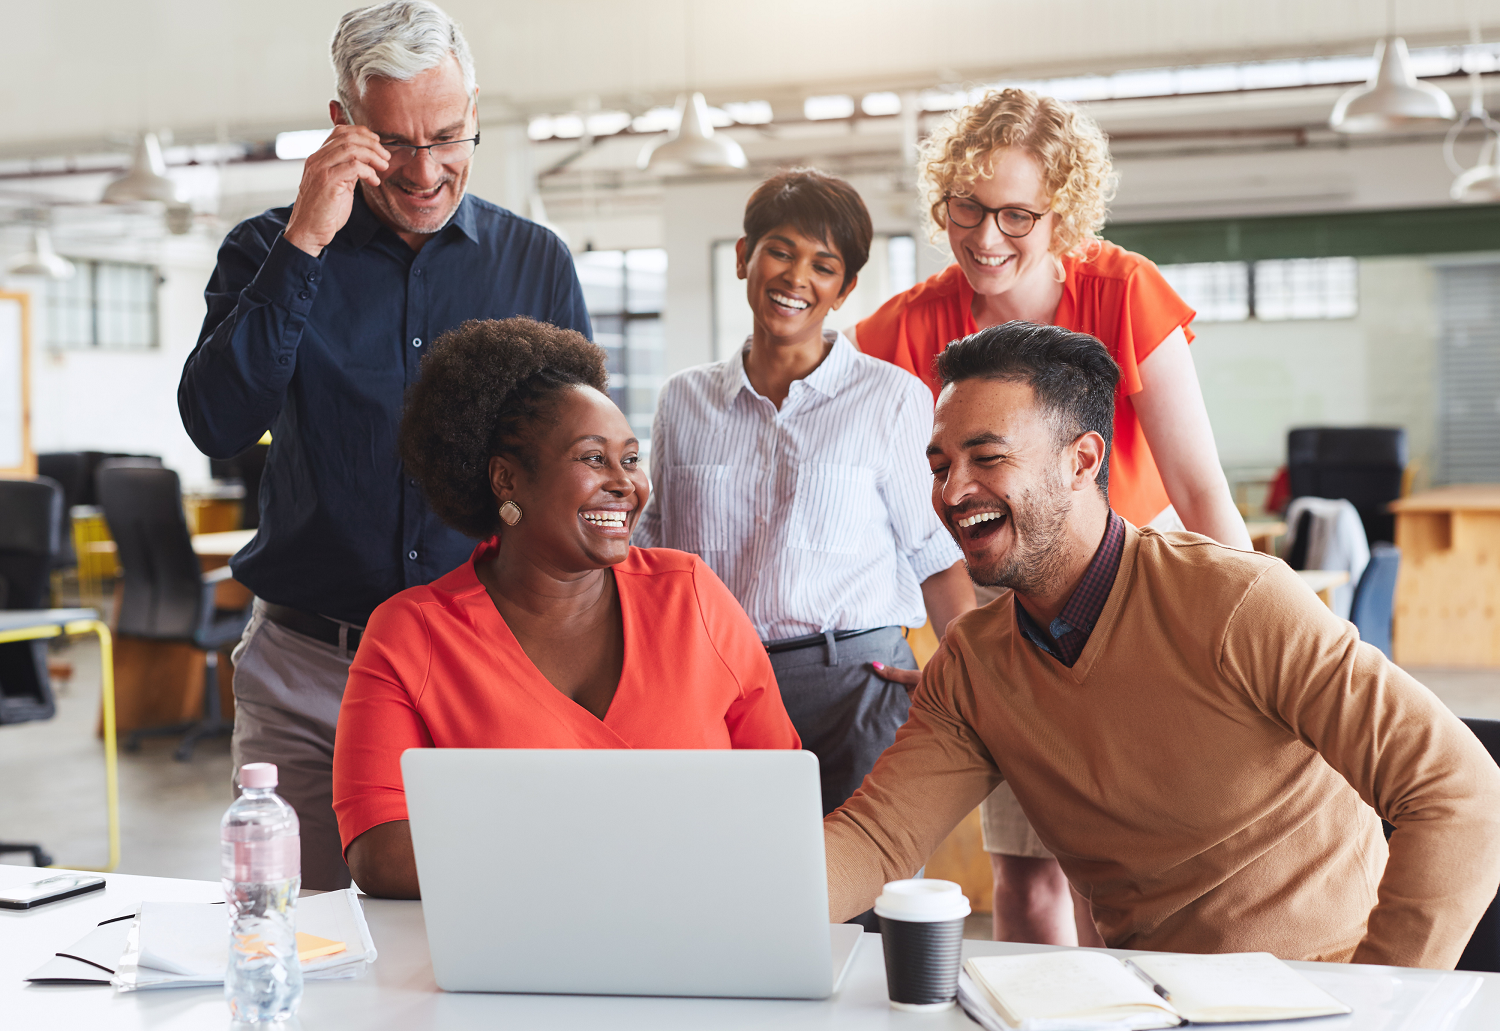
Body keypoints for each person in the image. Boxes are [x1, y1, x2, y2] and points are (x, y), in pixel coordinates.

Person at [824, 321, 1500, 968]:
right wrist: (736, 909)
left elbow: (1463, 793)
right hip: (1147, 1000)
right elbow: (878, 838)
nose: (953, 490)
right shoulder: (972, 664)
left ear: (1081, 460)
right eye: (941, 465)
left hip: (1319, 994)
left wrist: (1382, 1001)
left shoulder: (1238, 601)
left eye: (988, 458)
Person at [177, 3, 590, 890]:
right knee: (306, 940)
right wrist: (305, 243)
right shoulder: (264, 251)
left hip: (480, 665)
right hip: (306, 675)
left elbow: (576, 467)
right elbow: (217, 423)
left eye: (448, 136)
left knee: (484, 933)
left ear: (475, 110)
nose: (426, 170)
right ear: (343, 126)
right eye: (394, 144)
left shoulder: (535, 264)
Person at [851, 88, 1250, 945]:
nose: (985, 237)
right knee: (1024, 881)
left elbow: (1203, 493)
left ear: (1063, 210)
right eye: (966, 206)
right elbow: (869, 491)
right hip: (996, 605)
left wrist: (1257, 635)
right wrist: (932, 638)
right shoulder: (903, 326)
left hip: (1127, 591)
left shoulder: (1124, 292)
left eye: (1017, 214)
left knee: (1117, 874)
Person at [333, 318, 801, 899]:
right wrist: (640, 849)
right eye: (592, 458)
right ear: (507, 479)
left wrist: (521, 842)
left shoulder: (691, 595)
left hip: (696, 936)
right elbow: (381, 852)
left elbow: (780, 794)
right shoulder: (413, 632)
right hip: (505, 965)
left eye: (630, 459)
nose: (624, 483)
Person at [634, 169, 975, 846]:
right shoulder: (684, 400)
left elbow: (936, 557)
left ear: (844, 290)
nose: (797, 277)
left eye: (825, 265)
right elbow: (655, 551)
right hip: (714, 686)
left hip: (853, 686)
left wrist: (964, 681)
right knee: (728, 889)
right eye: (781, 251)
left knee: (868, 897)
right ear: (744, 257)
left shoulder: (894, 399)